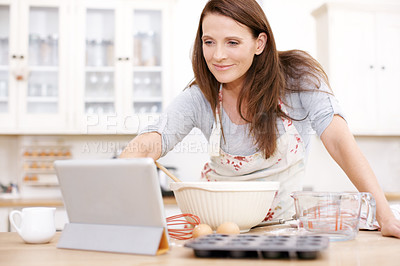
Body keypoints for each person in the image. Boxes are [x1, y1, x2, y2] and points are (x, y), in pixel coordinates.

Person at [120, 0, 400, 238]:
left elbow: (339, 142)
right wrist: (116, 179)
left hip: (284, 232)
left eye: (232, 42)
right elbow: (154, 139)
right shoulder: (200, 95)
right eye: (208, 42)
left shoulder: (298, 79)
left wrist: (384, 215)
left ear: (259, 43)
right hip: (221, 235)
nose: (218, 56)